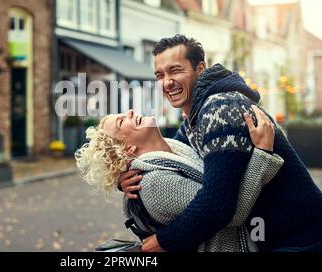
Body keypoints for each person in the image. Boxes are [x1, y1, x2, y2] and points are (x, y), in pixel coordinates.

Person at [119, 34, 322, 252]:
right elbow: (170, 155)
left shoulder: (221, 108)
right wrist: (124, 176)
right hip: (272, 237)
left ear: (200, 69)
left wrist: (164, 242)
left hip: (299, 238)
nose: (167, 82)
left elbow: (218, 205)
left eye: (176, 70)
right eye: (160, 75)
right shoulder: (194, 119)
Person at [75, 107, 283, 252]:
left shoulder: (175, 148)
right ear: (127, 149)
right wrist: (263, 153)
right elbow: (229, 212)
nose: (130, 112)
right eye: (122, 121)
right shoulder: (155, 183)